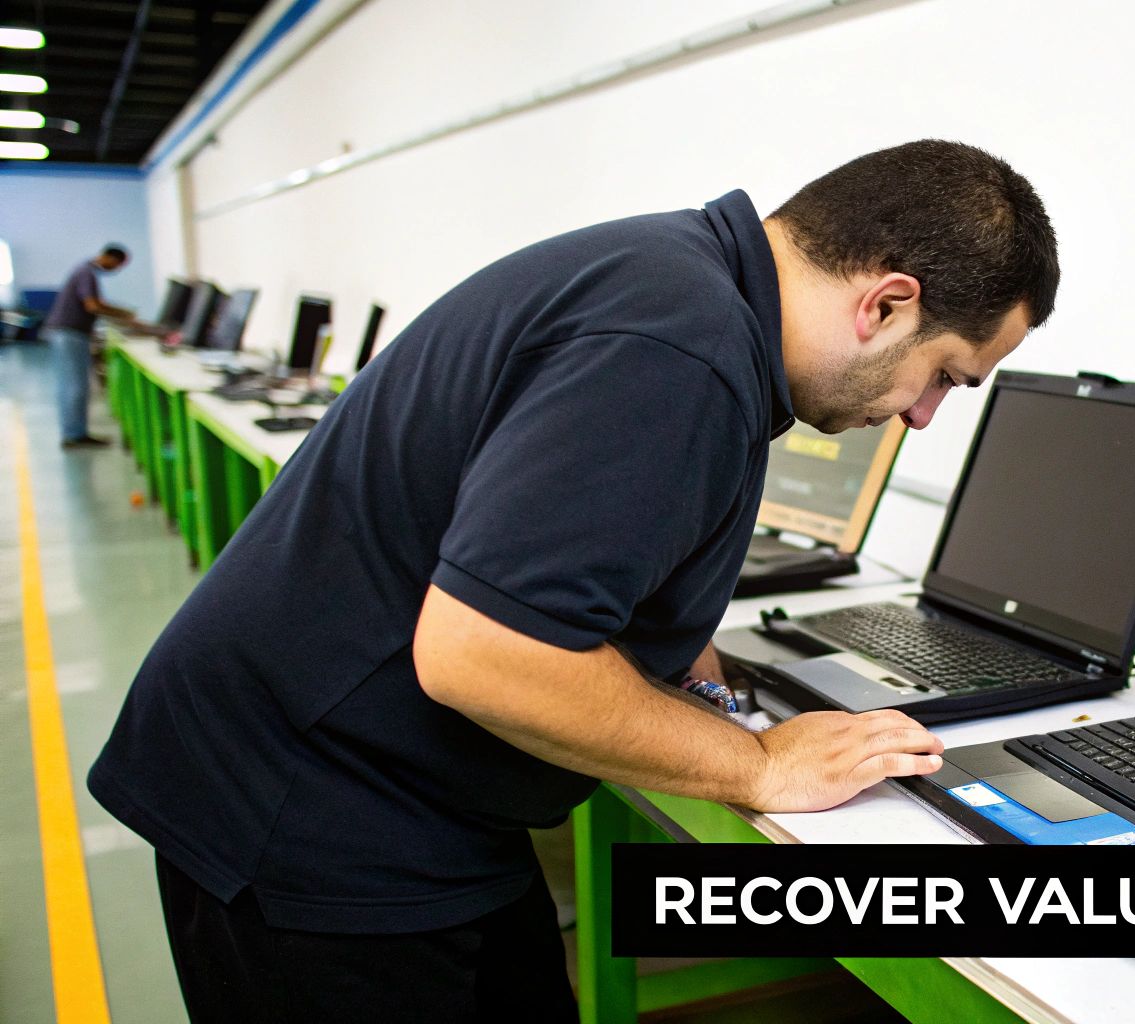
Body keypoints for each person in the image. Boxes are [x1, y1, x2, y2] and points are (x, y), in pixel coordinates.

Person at [89, 140, 1060, 1021]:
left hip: (404, 790)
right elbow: (485, 655)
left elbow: (581, 540)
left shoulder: (682, 281)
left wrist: (679, 651)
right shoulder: (677, 350)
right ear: (884, 302)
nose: (925, 414)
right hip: (304, 816)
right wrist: (757, 763)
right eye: (945, 374)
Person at [42, 243, 136, 448]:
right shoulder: (87, 272)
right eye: (117, 264)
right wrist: (123, 313)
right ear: (108, 257)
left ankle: (75, 433)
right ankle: (74, 435)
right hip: (70, 333)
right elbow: (92, 305)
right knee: (75, 386)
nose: (116, 269)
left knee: (72, 384)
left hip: (69, 333)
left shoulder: (84, 270)